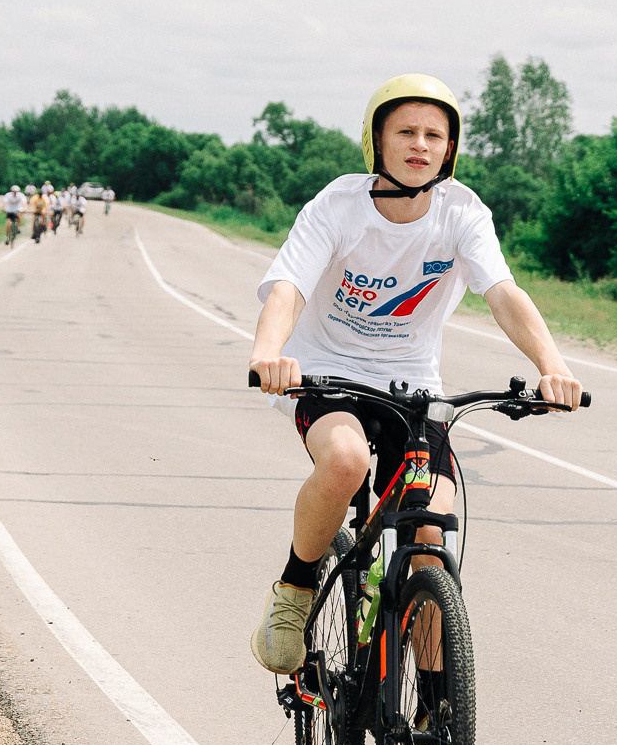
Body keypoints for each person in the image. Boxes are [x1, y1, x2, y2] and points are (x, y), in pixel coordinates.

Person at [246, 76, 583, 713]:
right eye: (406, 131)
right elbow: (289, 285)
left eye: (435, 135)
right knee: (345, 463)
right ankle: (293, 592)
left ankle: (433, 713)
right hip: (329, 374)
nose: (420, 145)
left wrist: (552, 366)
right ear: (378, 140)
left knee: (430, 540)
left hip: (413, 388)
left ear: (450, 148)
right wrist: (269, 353)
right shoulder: (338, 207)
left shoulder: (462, 213)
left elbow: (503, 293)